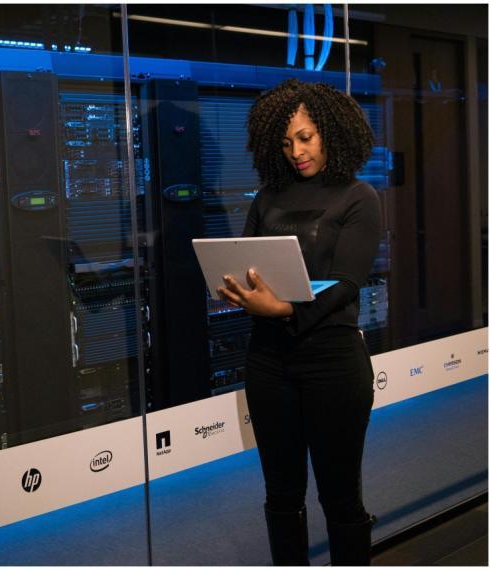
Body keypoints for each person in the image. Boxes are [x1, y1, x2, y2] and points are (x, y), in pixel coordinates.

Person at [217, 78, 381, 566]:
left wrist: (285, 309)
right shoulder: (267, 197)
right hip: (269, 362)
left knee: (340, 497)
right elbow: (245, 261)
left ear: (331, 132)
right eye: (287, 142)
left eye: (306, 138)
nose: (296, 152)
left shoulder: (358, 196)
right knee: (281, 496)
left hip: (333, 363)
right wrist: (237, 288)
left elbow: (347, 282)